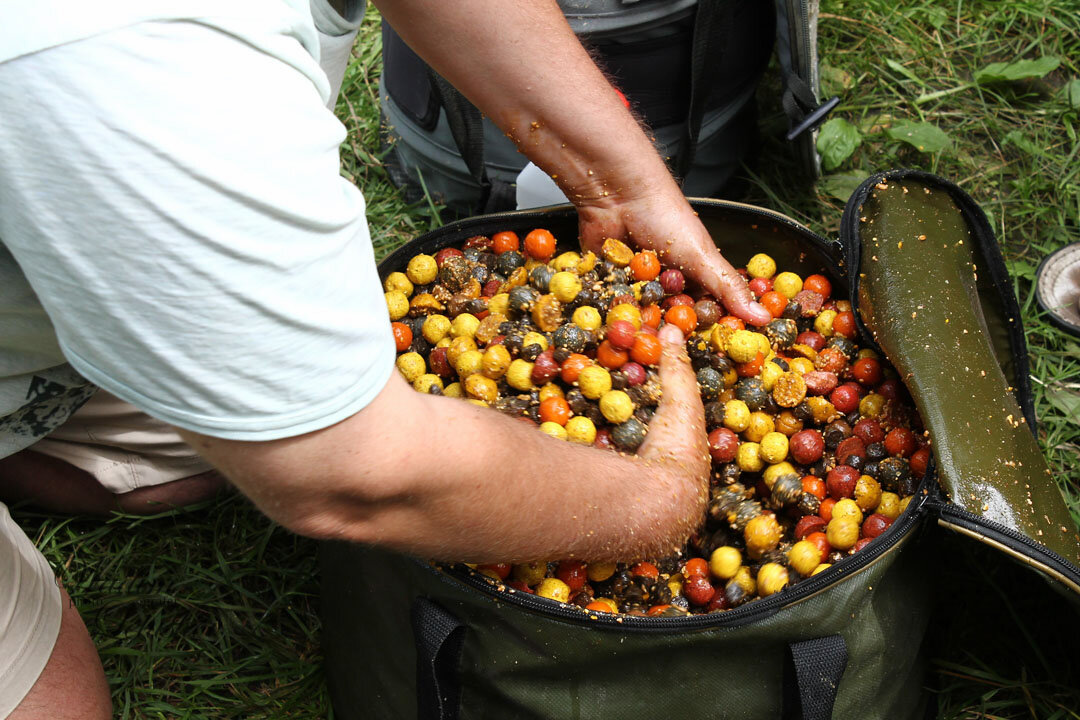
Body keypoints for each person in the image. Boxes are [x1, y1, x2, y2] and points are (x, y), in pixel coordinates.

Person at [0, 1, 769, 716]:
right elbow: (348, 473)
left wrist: (619, 182)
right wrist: (656, 503)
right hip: (83, 111)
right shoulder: (115, 60)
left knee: (191, 455)